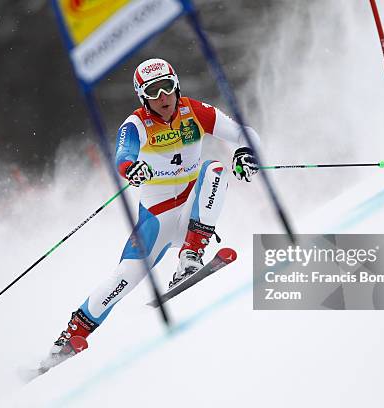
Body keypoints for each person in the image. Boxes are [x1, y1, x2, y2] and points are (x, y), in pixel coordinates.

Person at [40, 58, 260, 371]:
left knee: (215, 169)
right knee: (122, 280)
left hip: (192, 213)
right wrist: (132, 168)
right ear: (143, 96)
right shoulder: (136, 125)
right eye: (154, 91)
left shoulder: (194, 110)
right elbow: (123, 156)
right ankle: (66, 341)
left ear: (177, 85)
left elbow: (244, 133)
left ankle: (190, 257)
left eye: (168, 87)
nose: (163, 96)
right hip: (156, 221)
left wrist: (246, 152)